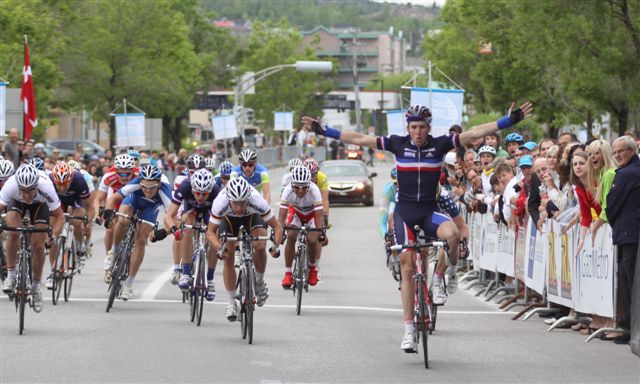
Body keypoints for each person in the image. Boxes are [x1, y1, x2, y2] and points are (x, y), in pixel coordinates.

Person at [302, 100, 533, 351]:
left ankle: (446, 274)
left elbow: (476, 132)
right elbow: (360, 138)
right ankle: (409, 329)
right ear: (408, 128)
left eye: (422, 127)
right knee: (407, 267)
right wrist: (325, 131)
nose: (418, 132)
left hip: (428, 211)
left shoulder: (441, 144)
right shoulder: (396, 143)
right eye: (413, 127)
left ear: (428, 127)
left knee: (453, 235)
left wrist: (508, 121)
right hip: (405, 213)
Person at [206, 177, 283, 321]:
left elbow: (277, 227)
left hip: (252, 217)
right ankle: (231, 303)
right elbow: (210, 233)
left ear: (248, 199)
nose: (240, 208)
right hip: (229, 220)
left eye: (243, 203)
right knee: (227, 257)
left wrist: (275, 246)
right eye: (236, 203)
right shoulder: (220, 202)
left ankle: (259, 282)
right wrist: (219, 249)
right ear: (229, 200)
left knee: (260, 245)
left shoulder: (256, 200)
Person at [0, 164, 65, 312]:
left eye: (29, 191)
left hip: (40, 206)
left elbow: (60, 217)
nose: (26, 195)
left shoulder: (46, 186)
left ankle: (36, 288)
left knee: (38, 245)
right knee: (13, 232)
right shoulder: (11, 185)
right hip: (16, 205)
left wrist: (53, 236)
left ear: (36, 186)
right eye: (22, 190)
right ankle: (11, 275)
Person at [103, 164, 173, 300]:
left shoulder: (165, 191)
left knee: (141, 240)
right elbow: (112, 199)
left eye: (152, 188)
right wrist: (108, 213)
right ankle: (114, 251)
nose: (147, 191)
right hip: (133, 201)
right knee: (122, 220)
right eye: (144, 187)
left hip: (151, 207)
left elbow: (174, 220)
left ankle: (128, 284)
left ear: (158, 183)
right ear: (140, 181)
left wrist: (163, 232)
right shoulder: (135, 183)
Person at [165, 168, 221, 300]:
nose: (201, 197)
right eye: (197, 193)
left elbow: (223, 217)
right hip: (190, 210)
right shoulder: (185, 187)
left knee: (216, 234)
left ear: (210, 191)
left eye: (205, 194)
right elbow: (169, 215)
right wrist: (174, 229)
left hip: (209, 211)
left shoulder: (217, 192)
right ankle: (185, 273)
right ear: (192, 189)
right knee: (187, 228)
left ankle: (210, 279)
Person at [604, 136, 640, 344]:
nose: (617, 155)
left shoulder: (626, 174)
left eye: (621, 151)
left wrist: (611, 217)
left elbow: (611, 204)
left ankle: (628, 327)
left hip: (628, 234)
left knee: (628, 281)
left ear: (632, 150)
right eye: (615, 152)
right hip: (631, 232)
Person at [279, 166, 326, 288]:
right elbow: (282, 215)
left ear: (309, 185)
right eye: (296, 187)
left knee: (312, 239)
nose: (300, 191)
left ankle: (312, 269)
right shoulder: (287, 190)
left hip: (312, 215)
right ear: (292, 184)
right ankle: (288, 273)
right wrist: (279, 231)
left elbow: (320, 215)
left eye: (304, 187)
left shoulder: (315, 190)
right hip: (297, 213)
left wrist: (321, 232)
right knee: (290, 235)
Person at [47, 163, 94, 285]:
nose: (62, 188)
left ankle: (80, 247)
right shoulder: (50, 180)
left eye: (65, 184)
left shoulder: (79, 180)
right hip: (58, 202)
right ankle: (53, 271)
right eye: (59, 185)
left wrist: (88, 221)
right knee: (54, 234)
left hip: (76, 201)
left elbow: (89, 205)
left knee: (76, 221)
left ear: (71, 180)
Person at [94, 154, 137, 282]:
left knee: (136, 225)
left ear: (133, 171)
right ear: (116, 170)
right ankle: (110, 256)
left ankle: (131, 247)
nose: (124, 177)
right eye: (121, 174)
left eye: (127, 174)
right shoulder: (109, 176)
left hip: (134, 200)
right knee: (110, 227)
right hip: (115, 200)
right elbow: (98, 198)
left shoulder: (139, 177)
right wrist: (98, 213)